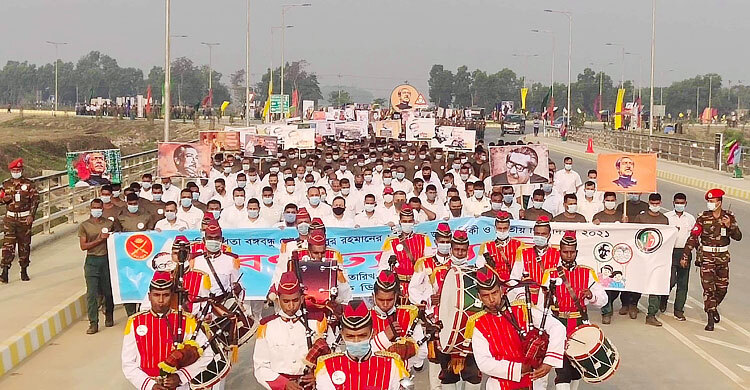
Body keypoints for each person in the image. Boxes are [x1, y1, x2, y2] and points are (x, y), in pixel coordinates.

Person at [467, 266, 566, 390]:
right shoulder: (478, 323)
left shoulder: (522, 309)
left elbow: (557, 327)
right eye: (486, 296)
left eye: (495, 293)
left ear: (502, 291)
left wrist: (549, 361)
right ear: (480, 297)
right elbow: (484, 362)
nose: (492, 299)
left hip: (533, 383)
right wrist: (519, 368)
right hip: (498, 385)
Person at [121, 275, 214, 390]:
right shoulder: (135, 322)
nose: (160, 300)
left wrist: (180, 377)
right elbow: (128, 363)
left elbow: (207, 354)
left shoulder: (186, 321)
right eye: (156, 295)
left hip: (180, 386)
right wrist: (149, 385)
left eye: (165, 295)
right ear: (149, 296)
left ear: (172, 296)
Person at [541, 231, 607, 390]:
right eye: (565, 252)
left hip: (579, 324)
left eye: (572, 252)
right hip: (558, 324)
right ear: (560, 252)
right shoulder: (550, 274)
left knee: (577, 368)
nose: (568, 255)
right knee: (562, 370)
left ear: (576, 252)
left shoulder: (587, 272)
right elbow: (541, 303)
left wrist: (591, 296)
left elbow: (603, 299)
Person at [681, 188, 742, 331]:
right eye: (708, 201)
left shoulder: (729, 216)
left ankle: (713, 307)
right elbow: (693, 237)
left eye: (712, 201)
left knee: (722, 288)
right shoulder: (703, 217)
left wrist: (730, 226)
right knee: (708, 289)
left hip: (722, 258)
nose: (710, 204)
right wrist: (686, 255)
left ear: (719, 202)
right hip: (707, 257)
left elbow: (738, 237)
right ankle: (710, 318)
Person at [253, 271, 327, 390]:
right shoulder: (267, 326)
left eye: (295, 300)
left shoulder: (317, 322)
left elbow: (333, 357)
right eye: (286, 301)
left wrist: (318, 376)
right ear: (278, 300)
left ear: (302, 299)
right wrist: (283, 384)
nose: (291, 306)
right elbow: (261, 367)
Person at [314, 300, 409, 390]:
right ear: (342, 335)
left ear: (373, 333)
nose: (356, 341)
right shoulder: (328, 366)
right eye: (350, 336)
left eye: (362, 335)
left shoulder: (391, 365)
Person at [369, 270, 427, 370]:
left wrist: (399, 364)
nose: (385, 304)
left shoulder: (408, 314)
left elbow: (422, 352)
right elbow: (360, 354)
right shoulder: (366, 317)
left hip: (401, 376)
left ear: (396, 296)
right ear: (373, 296)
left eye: (390, 300)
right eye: (381, 300)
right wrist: (384, 337)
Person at [379, 206, 433, 304]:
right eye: (404, 221)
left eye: (409, 221)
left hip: (419, 287)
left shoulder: (423, 239)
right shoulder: (392, 241)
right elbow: (383, 266)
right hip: (399, 287)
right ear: (400, 222)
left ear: (414, 222)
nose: (407, 224)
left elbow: (429, 265)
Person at [78, 198, 116, 334]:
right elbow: (83, 246)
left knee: (108, 291)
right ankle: (93, 322)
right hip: (92, 260)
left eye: (99, 208)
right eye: (94, 208)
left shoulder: (110, 223)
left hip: (106, 260)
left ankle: (109, 314)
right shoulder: (84, 225)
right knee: (92, 294)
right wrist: (99, 239)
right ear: (90, 208)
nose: (97, 210)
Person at [633, 193, 669, 327]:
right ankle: (633, 305)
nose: (655, 206)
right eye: (652, 203)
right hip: (642, 257)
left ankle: (651, 314)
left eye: (657, 203)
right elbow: (634, 236)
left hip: (658, 258)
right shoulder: (641, 217)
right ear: (649, 203)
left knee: (656, 285)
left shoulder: (664, 219)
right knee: (637, 283)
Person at [1, 158, 39, 283]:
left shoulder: (28, 184)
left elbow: (35, 200)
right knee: (8, 246)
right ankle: (5, 271)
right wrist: (3, 200)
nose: (16, 172)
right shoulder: (6, 184)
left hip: (24, 218)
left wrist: (31, 215)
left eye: (18, 170)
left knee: (24, 245)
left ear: (22, 170)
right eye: (14, 170)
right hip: (10, 219)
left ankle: (24, 269)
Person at [664, 193, 696, 321]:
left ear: (686, 204)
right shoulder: (667, 218)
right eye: (677, 202)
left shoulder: (690, 219)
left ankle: (679, 310)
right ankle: (663, 299)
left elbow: (694, 237)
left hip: (685, 252)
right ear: (673, 203)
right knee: (670, 281)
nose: (679, 205)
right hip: (670, 252)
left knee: (683, 283)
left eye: (682, 203)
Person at [514, 216, 560, 306]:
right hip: (528, 300)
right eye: (537, 233)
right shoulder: (524, 252)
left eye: (543, 234)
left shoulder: (558, 253)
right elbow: (515, 279)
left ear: (549, 235)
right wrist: (523, 297)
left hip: (549, 301)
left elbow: (562, 279)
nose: (540, 236)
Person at [479, 211, 524, 280]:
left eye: (505, 228)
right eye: (499, 228)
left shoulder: (519, 245)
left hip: (515, 283)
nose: (502, 231)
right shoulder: (486, 246)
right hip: (494, 283)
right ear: (495, 229)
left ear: (509, 228)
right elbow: (480, 266)